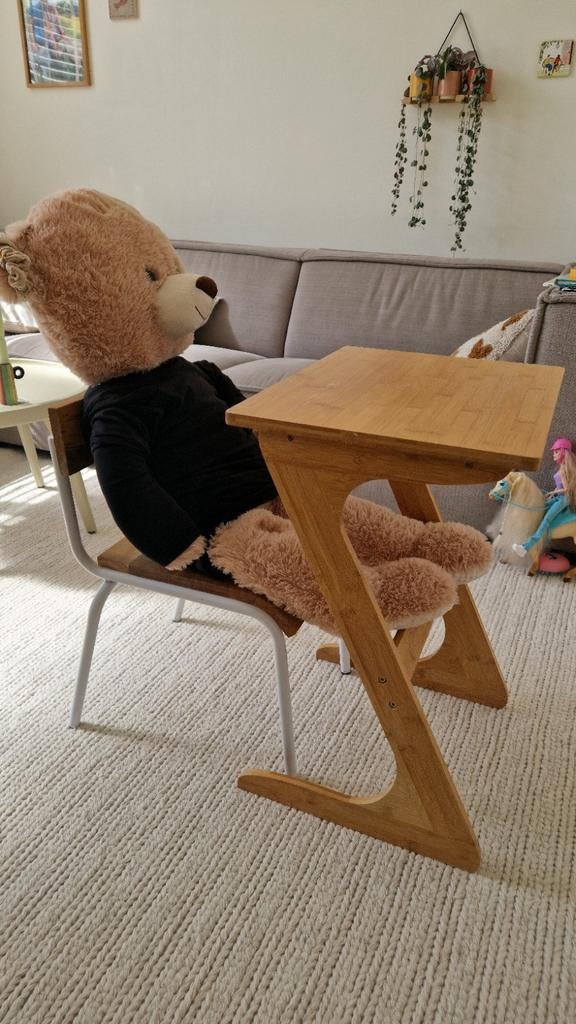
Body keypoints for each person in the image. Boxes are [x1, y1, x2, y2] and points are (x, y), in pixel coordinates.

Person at [513, 438, 576, 556]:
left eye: (556, 452)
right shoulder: (562, 468)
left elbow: (567, 489)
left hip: (564, 499)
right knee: (541, 506)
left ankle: (525, 547)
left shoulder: (564, 470)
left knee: (546, 520)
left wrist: (552, 493)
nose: (553, 454)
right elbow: (560, 486)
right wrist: (552, 493)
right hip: (559, 496)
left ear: (563, 452)